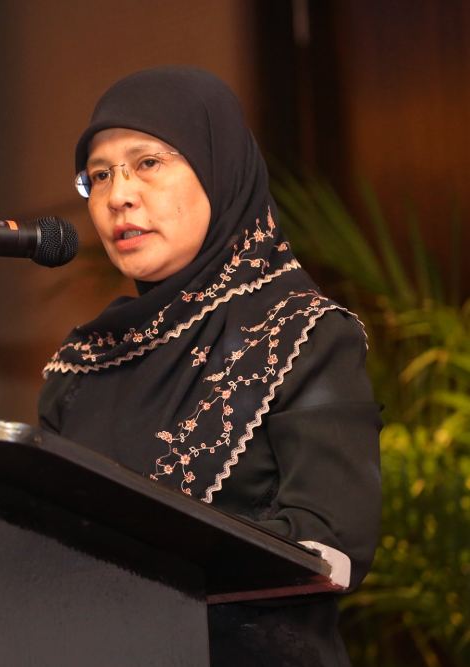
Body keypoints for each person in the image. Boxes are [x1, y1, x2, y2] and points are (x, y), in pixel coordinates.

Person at [38, 66, 382, 666]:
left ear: (219, 170)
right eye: (98, 175)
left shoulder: (304, 334)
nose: (118, 195)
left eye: (148, 163)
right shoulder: (80, 367)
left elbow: (330, 543)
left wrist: (142, 551)